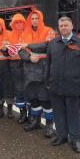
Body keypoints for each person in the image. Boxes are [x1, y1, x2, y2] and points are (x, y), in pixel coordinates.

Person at [44, 16, 80, 153]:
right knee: (59, 112)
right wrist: (47, 81)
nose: (63, 28)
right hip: (56, 85)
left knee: (74, 114)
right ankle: (61, 136)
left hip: (74, 85)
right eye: (61, 26)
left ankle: (75, 139)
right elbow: (48, 64)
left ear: (72, 26)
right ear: (58, 28)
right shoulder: (53, 43)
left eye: (66, 25)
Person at [19, 9, 56, 137]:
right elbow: (21, 51)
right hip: (30, 70)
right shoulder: (24, 33)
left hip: (44, 69)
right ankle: (36, 121)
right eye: (32, 18)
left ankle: (50, 125)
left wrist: (29, 45)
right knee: (33, 98)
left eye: (36, 18)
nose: (34, 20)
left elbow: (47, 46)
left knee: (46, 99)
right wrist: (29, 58)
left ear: (41, 19)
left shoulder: (49, 31)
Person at [6, 14, 26, 123]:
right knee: (18, 90)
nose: (18, 24)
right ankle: (23, 113)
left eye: (20, 22)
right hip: (15, 65)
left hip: (27, 64)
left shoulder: (28, 33)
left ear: (24, 23)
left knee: (29, 89)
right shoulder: (9, 35)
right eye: (16, 22)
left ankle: (32, 115)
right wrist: (4, 49)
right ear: (13, 24)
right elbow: (6, 52)